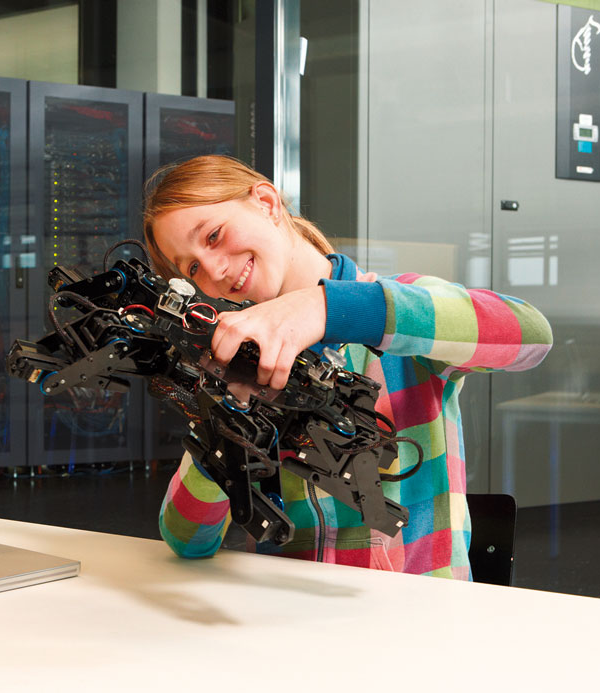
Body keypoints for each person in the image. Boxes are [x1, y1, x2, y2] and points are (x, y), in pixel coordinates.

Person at [142, 155, 553, 580]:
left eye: (213, 235)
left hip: (414, 623)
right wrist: (222, 426)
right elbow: (186, 539)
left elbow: (530, 334)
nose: (213, 269)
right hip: (284, 625)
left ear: (266, 202)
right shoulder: (241, 362)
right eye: (191, 268)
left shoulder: (400, 310)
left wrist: (328, 306)